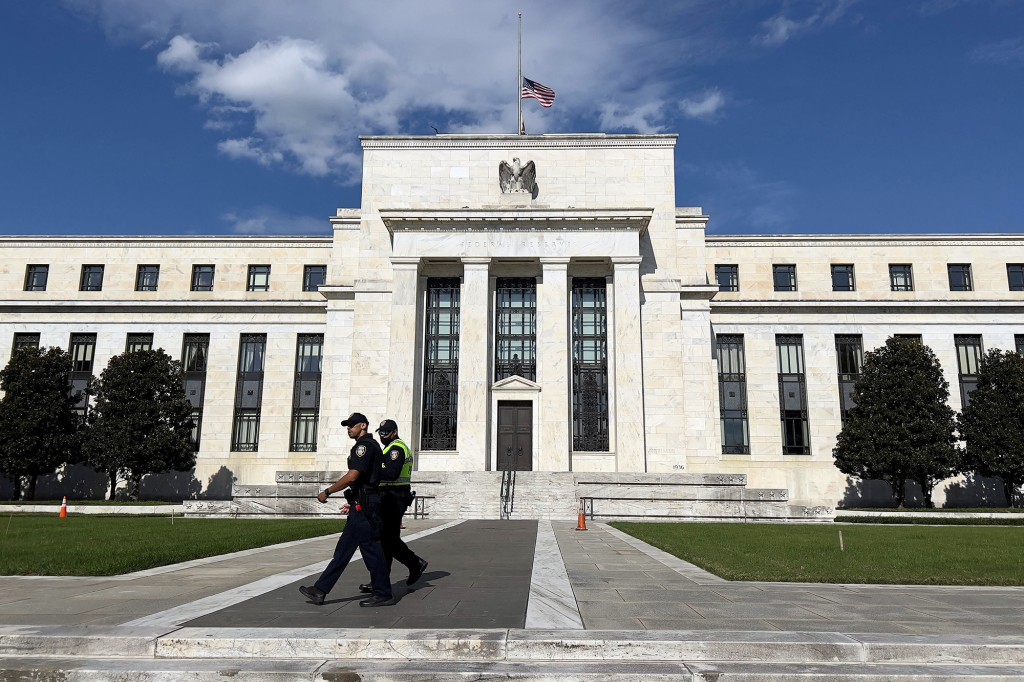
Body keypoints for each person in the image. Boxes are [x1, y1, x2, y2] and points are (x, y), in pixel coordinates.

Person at [298, 412, 395, 607]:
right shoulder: (369, 446)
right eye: (347, 426)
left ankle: (382, 592)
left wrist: (327, 491)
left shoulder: (364, 447)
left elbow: (352, 476)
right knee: (356, 550)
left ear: (363, 426)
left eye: (352, 425)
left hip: (365, 507)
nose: (349, 429)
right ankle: (321, 590)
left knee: (365, 551)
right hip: (363, 504)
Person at [358, 419, 428, 594]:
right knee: (387, 540)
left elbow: (391, 473)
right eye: (380, 433)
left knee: (386, 539)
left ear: (394, 432)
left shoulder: (396, 448)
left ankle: (413, 564)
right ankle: (384, 579)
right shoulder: (391, 448)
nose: (382, 436)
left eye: (385, 433)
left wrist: (370, 471)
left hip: (393, 497)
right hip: (391, 497)